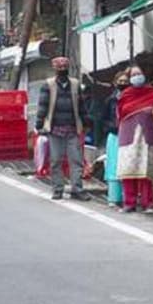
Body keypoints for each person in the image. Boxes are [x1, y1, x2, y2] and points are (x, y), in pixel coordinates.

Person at [34, 56, 89, 201]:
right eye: (59, 67)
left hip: (72, 128)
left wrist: (86, 122)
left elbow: (81, 106)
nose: (62, 69)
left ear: (68, 68)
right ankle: (57, 189)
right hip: (54, 129)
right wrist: (39, 124)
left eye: (64, 67)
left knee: (76, 160)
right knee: (56, 160)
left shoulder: (75, 84)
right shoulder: (48, 84)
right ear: (55, 69)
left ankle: (77, 189)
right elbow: (43, 106)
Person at [116, 65, 153, 213]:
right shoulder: (125, 95)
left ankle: (147, 203)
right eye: (134, 74)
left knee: (145, 171)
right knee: (128, 169)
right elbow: (120, 115)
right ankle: (129, 203)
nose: (137, 76)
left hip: (147, 136)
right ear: (130, 78)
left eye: (139, 73)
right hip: (128, 136)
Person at [102, 71, 128, 207]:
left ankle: (127, 198)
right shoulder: (110, 100)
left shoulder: (132, 99)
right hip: (114, 136)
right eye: (120, 81)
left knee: (127, 167)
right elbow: (104, 119)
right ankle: (113, 197)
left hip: (129, 136)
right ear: (115, 83)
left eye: (125, 81)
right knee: (113, 166)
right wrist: (112, 127)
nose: (123, 84)